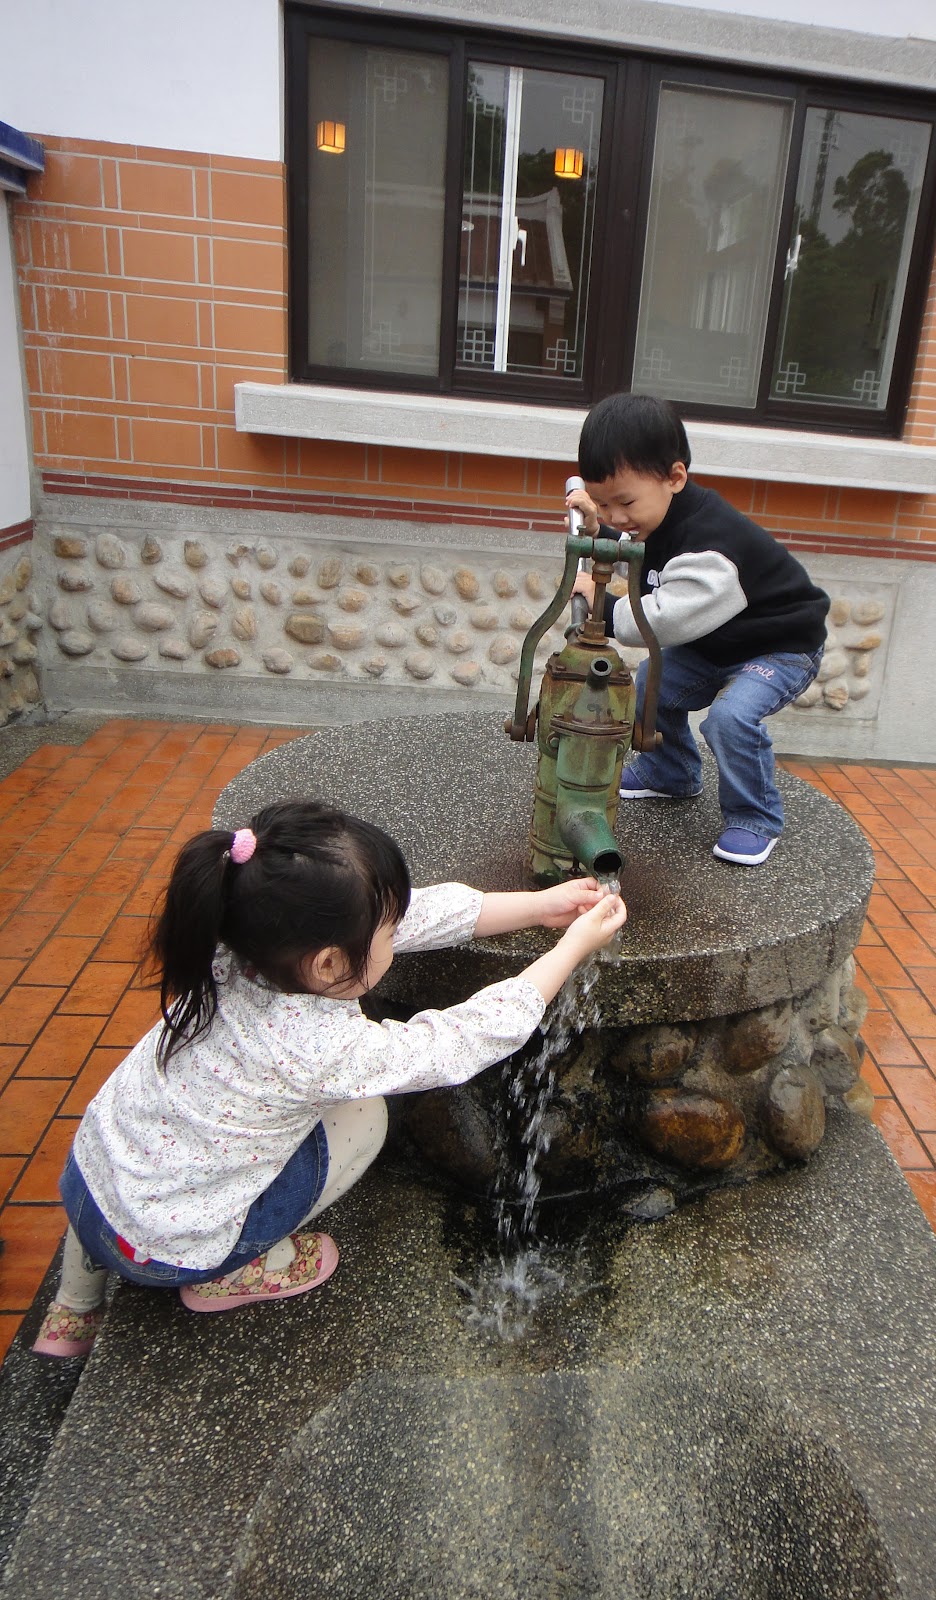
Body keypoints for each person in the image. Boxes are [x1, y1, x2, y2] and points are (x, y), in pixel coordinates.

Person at [32, 800, 625, 1358]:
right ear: (328, 964)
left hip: (89, 1184)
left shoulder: (231, 941)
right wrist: (568, 950)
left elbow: (412, 916)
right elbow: (455, 1042)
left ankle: (73, 1310)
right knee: (365, 1118)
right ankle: (233, 1274)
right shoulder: (319, 1046)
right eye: (387, 934)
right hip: (176, 1251)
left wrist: (537, 906)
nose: (397, 935)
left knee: (130, 1164)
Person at [568, 393, 829, 866]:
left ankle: (755, 817)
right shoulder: (657, 518)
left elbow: (663, 619)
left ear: (675, 477)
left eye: (624, 502)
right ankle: (671, 773)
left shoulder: (710, 546)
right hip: (715, 643)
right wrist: (595, 531)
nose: (616, 516)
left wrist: (601, 604)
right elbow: (634, 550)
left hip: (778, 648)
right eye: (603, 503)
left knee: (730, 718)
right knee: (653, 686)